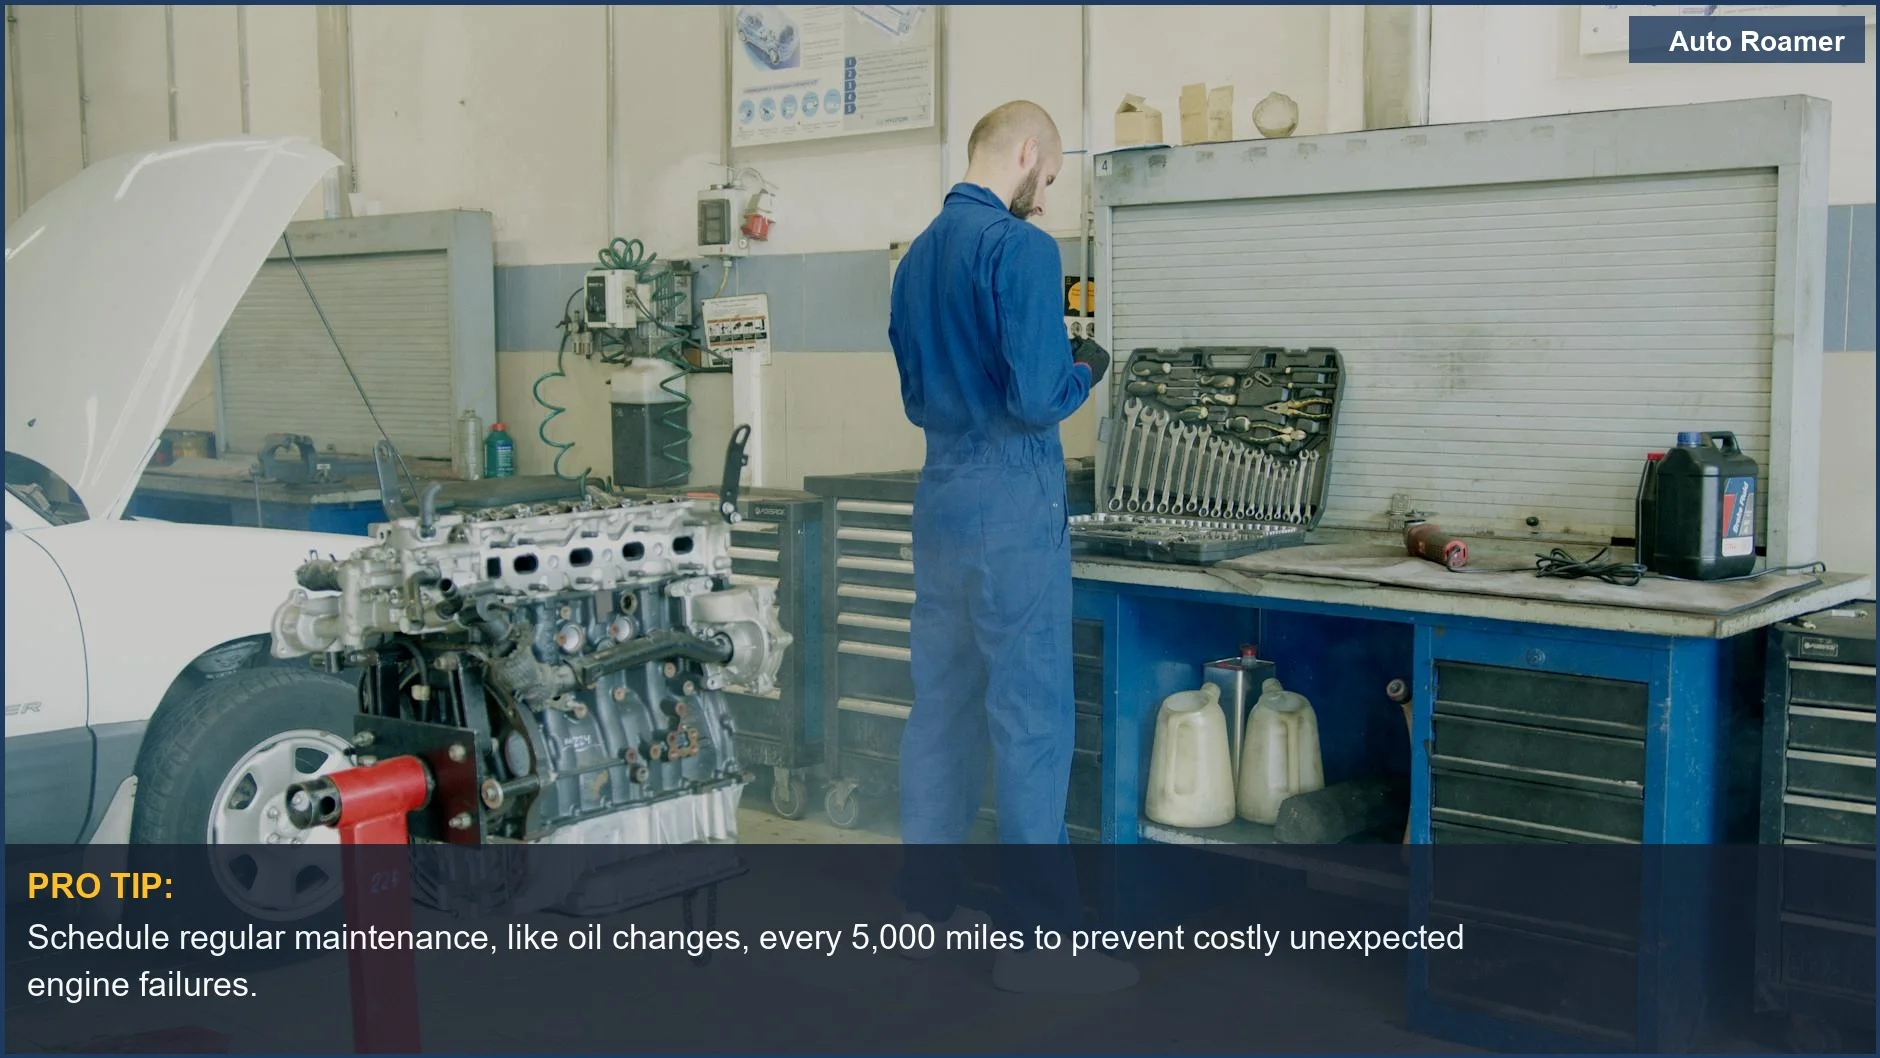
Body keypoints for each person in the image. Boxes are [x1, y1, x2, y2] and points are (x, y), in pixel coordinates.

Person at [885, 100, 1136, 994]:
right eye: (1052, 177)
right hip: (1011, 504)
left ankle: (927, 912)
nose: (1046, 195)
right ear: (1028, 153)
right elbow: (1036, 397)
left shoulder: (914, 257)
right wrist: (1087, 367)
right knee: (1030, 720)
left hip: (942, 497)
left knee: (942, 710)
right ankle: (1043, 946)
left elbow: (917, 398)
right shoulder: (1023, 250)